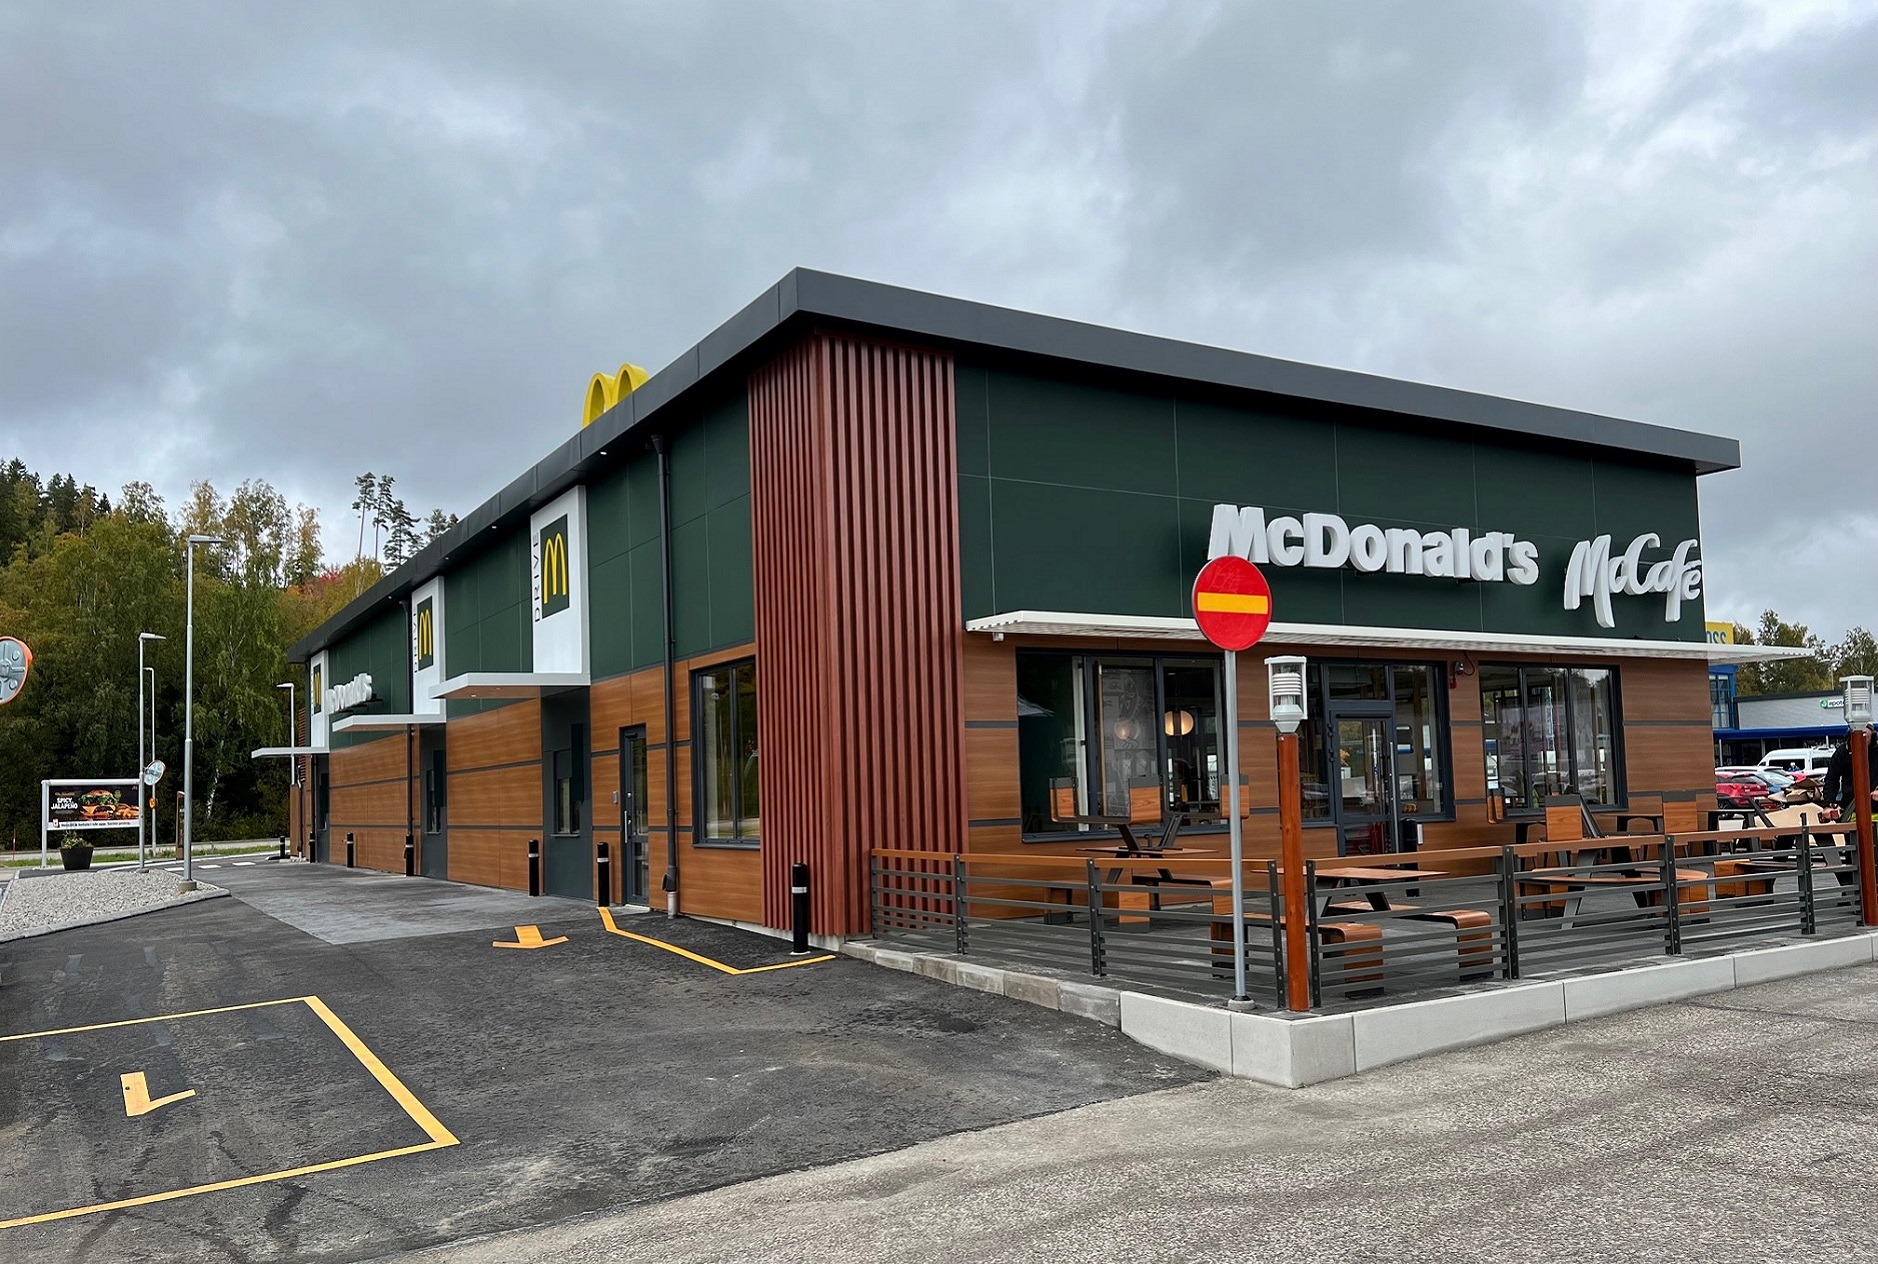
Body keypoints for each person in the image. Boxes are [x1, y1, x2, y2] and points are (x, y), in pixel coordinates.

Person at [1821, 725, 1878, 826]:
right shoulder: (1842, 753)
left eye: (1865, 737)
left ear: (1872, 736)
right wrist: (1828, 805)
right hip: (1851, 811)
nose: (1860, 742)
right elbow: (1831, 780)